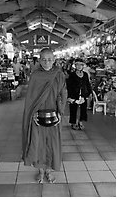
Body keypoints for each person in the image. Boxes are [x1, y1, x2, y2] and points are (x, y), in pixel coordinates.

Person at [22, 48, 67, 183]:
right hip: (37, 116)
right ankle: (41, 171)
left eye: (49, 59)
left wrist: (60, 112)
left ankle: (49, 171)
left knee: (52, 144)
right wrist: (32, 114)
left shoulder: (59, 75)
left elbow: (63, 94)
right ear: (39, 60)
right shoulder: (35, 75)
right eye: (44, 59)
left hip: (54, 115)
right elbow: (30, 98)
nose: (47, 62)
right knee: (38, 144)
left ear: (54, 60)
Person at [67, 58, 92, 130]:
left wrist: (89, 93)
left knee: (83, 109)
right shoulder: (72, 75)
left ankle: (80, 122)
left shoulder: (85, 75)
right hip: (74, 94)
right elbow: (69, 86)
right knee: (73, 109)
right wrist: (69, 96)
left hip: (83, 94)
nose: (79, 66)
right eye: (77, 65)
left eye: (80, 65)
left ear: (83, 66)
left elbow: (88, 84)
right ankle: (73, 123)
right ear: (75, 66)